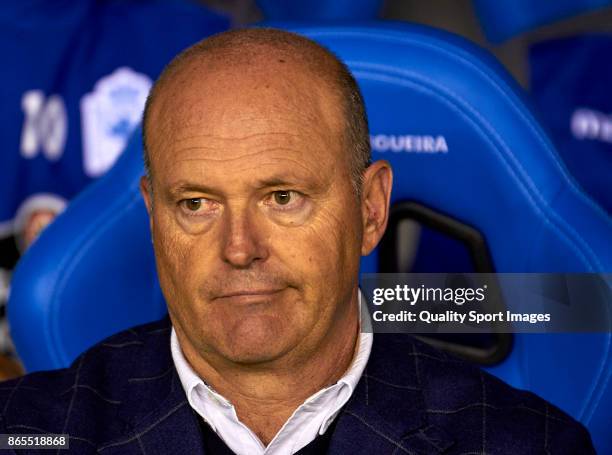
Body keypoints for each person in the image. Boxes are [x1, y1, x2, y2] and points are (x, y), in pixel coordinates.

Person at [0, 28, 595, 454]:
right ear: (154, 216)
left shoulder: (532, 443)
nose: (239, 248)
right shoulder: (22, 431)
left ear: (369, 209)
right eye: (196, 204)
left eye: (282, 197)